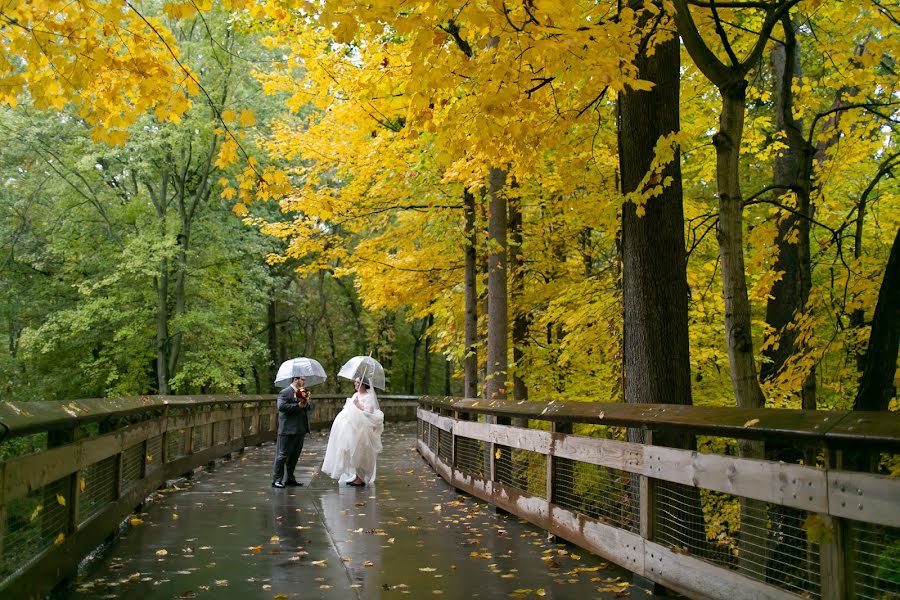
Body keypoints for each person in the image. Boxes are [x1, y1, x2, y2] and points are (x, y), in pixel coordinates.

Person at [321, 377, 384, 486]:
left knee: (361, 451)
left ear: (363, 384)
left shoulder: (369, 397)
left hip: (362, 429)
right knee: (352, 452)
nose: (355, 383)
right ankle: (356, 476)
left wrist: (357, 404)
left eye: (357, 382)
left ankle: (361, 477)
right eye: (355, 382)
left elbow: (369, 412)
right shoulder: (355, 395)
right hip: (352, 429)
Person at [271, 376, 315, 488]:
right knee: (282, 455)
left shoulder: (305, 392)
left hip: (300, 428)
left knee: (295, 455)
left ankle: (290, 478)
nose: (304, 381)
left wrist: (307, 402)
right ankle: (277, 479)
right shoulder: (285, 392)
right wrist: (298, 406)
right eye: (303, 379)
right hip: (287, 429)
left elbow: (312, 406)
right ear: (296, 379)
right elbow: (281, 407)